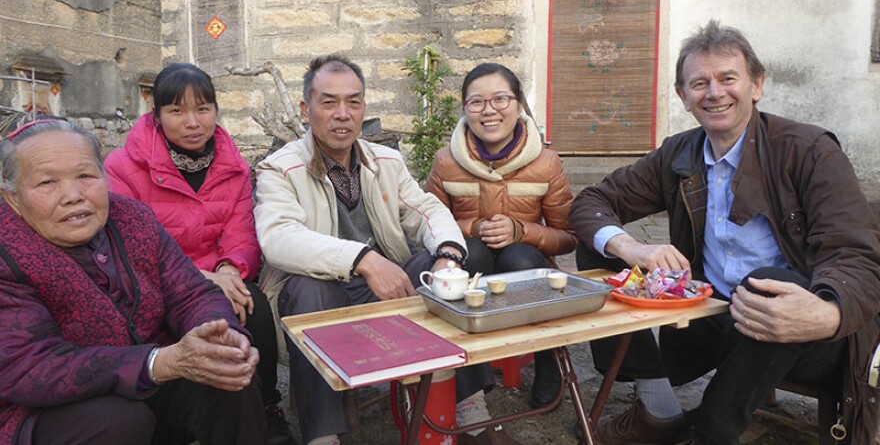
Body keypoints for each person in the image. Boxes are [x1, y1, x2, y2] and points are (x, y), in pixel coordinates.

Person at [570, 20, 880, 444]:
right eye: (699, 83)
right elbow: (591, 202)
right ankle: (658, 410)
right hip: (715, 317)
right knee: (602, 247)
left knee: (774, 287)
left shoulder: (809, 151)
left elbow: (857, 254)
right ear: (683, 97)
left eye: (728, 78)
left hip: (810, 332)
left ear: (757, 85)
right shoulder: (679, 153)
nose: (714, 93)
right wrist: (631, 247)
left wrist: (827, 313)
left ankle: (711, 432)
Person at [254, 55, 524, 445]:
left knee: (444, 273)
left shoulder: (385, 161)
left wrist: (449, 253)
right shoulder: (280, 169)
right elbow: (278, 237)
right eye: (328, 102)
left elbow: (426, 209)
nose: (342, 115)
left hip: (386, 283)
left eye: (353, 102)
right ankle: (324, 436)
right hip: (319, 289)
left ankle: (467, 406)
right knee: (313, 291)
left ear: (364, 107)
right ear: (305, 108)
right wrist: (363, 260)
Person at [0, 119, 266, 445]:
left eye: (85, 175)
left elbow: (190, 292)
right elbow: (30, 367)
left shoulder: (132, 218)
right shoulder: (5, 251)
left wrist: (220, 335)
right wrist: (158, 362)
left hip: (151, 373)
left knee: (227, 375)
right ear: (12, 198)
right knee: (116, 421)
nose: (72, 195)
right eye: (46, 183)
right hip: (51, 408)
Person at [104, 63, 295, 445]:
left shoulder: (234, 167)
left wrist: (229, 268)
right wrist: (200, 277)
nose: (192, 122)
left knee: (250, 302)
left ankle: (266, 405)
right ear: (156, 116)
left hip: (219, 277)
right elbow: (127, 244)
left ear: (215, 111)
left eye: (203, 109)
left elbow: (240, 231)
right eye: (176, 111)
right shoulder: (123, 168)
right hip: (154, 282)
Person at [424, 62, 577, 408]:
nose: (489, 111)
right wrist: (473, 228)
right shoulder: (446, 162)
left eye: (500, 99)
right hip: (470, 267)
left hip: (525, 267)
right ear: (465, 110)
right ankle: (467, 378)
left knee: (517, 256)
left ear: (519, 105)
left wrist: (522, 231)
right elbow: (427, 224)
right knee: (472, 252)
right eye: (476, 102)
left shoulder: (546, 162)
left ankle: (548, 363)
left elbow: (567, 235)